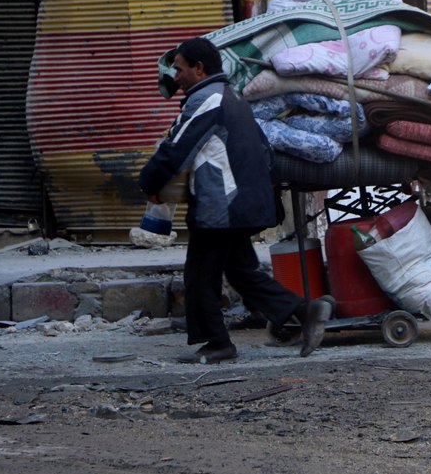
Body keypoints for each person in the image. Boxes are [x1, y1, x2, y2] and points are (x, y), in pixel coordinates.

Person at [139, 37, 333, 364]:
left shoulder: (207, 99)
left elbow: (177, 149)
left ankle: (218, 343)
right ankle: (304, 309)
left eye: (180, 68)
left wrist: (148, 182)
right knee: (240, 270)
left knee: (200, 274)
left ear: (199, 69)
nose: (176, 76)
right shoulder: (232, 97)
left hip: (222, 205)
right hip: (243, 202)